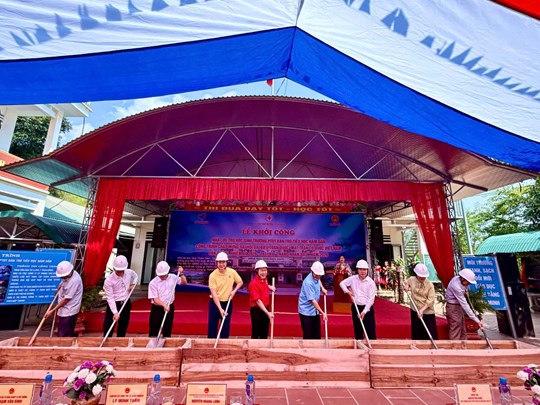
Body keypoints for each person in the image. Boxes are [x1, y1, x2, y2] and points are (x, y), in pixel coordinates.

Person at [208, 252, 243, 339]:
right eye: (219, 262)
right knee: (212, 326)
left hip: (227, 302)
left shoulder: (232, 272)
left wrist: (234, 291)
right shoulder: (212, 275)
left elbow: (240, 282)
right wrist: (220, 309)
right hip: (215, 304)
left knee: (225, 327)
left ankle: (224, 344)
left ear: (226, 262)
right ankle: (211, 344)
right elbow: (214, 294)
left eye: (223, 262)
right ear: (216, 263)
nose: (221, 264)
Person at [339, 259, 377, 340]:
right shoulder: (353, 279)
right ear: (357, 270)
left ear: (367, 270)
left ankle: (372, 346)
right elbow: (342, 283)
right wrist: (347, 291)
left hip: (367, 309)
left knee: (370, 331)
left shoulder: (371, 282)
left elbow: (371, 299)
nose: (362, 271)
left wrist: (364, 311)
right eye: (360, 269)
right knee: (358, 330)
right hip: (356, 307)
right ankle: (359, 345)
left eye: (364, 269)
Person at [148, 261, 187, 338]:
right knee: (154, 330)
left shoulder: (173, 277)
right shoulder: (153, 283)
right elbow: (155, 298)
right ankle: (153, 344)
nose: (162, 276)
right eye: (160, 275)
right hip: (157, 308)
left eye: (163, 275)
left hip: (169, 306)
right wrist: (164, 305)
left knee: (167, 329)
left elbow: (184, 282)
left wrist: (181, 274)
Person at [44, 261, 83, 337]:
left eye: (64, 276)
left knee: (64, 334)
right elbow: (65, 281)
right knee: (62, 330)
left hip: (69, 310)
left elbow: (66, 300)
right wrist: (61, 284)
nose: (62, 278)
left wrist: (52, 311)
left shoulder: (74, 281)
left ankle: (65, 343)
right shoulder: (71, 273)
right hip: (64, 308)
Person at [102, 255, 138, 337]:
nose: (120, 272)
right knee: (109, 325)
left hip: (126, 302)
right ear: (114, 268)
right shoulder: (109, 280)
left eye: (122, 270)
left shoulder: (129, 272)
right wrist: (115, 312)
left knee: (123, 324)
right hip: (114, 303)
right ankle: (107, 340)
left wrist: (133, 284)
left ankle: (120, 340)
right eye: (118, 270)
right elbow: (110, 297)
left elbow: (135, 276)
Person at [444, 268, 485, 340]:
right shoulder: (456, 286)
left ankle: (464, 344)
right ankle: (455, 345)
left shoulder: (458, 279)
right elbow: (465, 305)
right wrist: (477, 320)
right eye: (468, 282)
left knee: (462, 326)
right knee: (456, 326)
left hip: (458, 305)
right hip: (453, 307)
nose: (469, 284)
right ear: (463, 279)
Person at [404, 263, 438, 340]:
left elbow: (431, 300)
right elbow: (407, 282)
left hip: (427, 310)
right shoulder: (412, 279)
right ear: (416, 274)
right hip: (415, 309)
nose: (422, 278)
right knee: (417, 331)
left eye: (424, 277)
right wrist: (407, 286)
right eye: (420, 277)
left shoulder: (430, 285)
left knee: (430, 332)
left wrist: (422, 310)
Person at [298, 261, 328, 340]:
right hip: (306, 311)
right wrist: (323, 313)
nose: (318, 276)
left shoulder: (316, 277)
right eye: (317, 275)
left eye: (319, 275)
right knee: (308, 335)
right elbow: (313, 301)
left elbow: (319, 281)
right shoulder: (308, 282)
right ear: (312, 272)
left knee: (317, 334)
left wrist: (322, 288)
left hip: (314, 311)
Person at [248, 259, 276, 339]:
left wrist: (269, 287)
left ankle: (263, 346)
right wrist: (268, 313)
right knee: (256, 332)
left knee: (264, 331)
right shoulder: (253, 284)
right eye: (261, 270)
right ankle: (254, 347)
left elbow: (264, 285)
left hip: (265, 308)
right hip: (257, 310)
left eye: (265, 270)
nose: (263, 272)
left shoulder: (265, 279)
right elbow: (258, 301)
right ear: (257, 271)